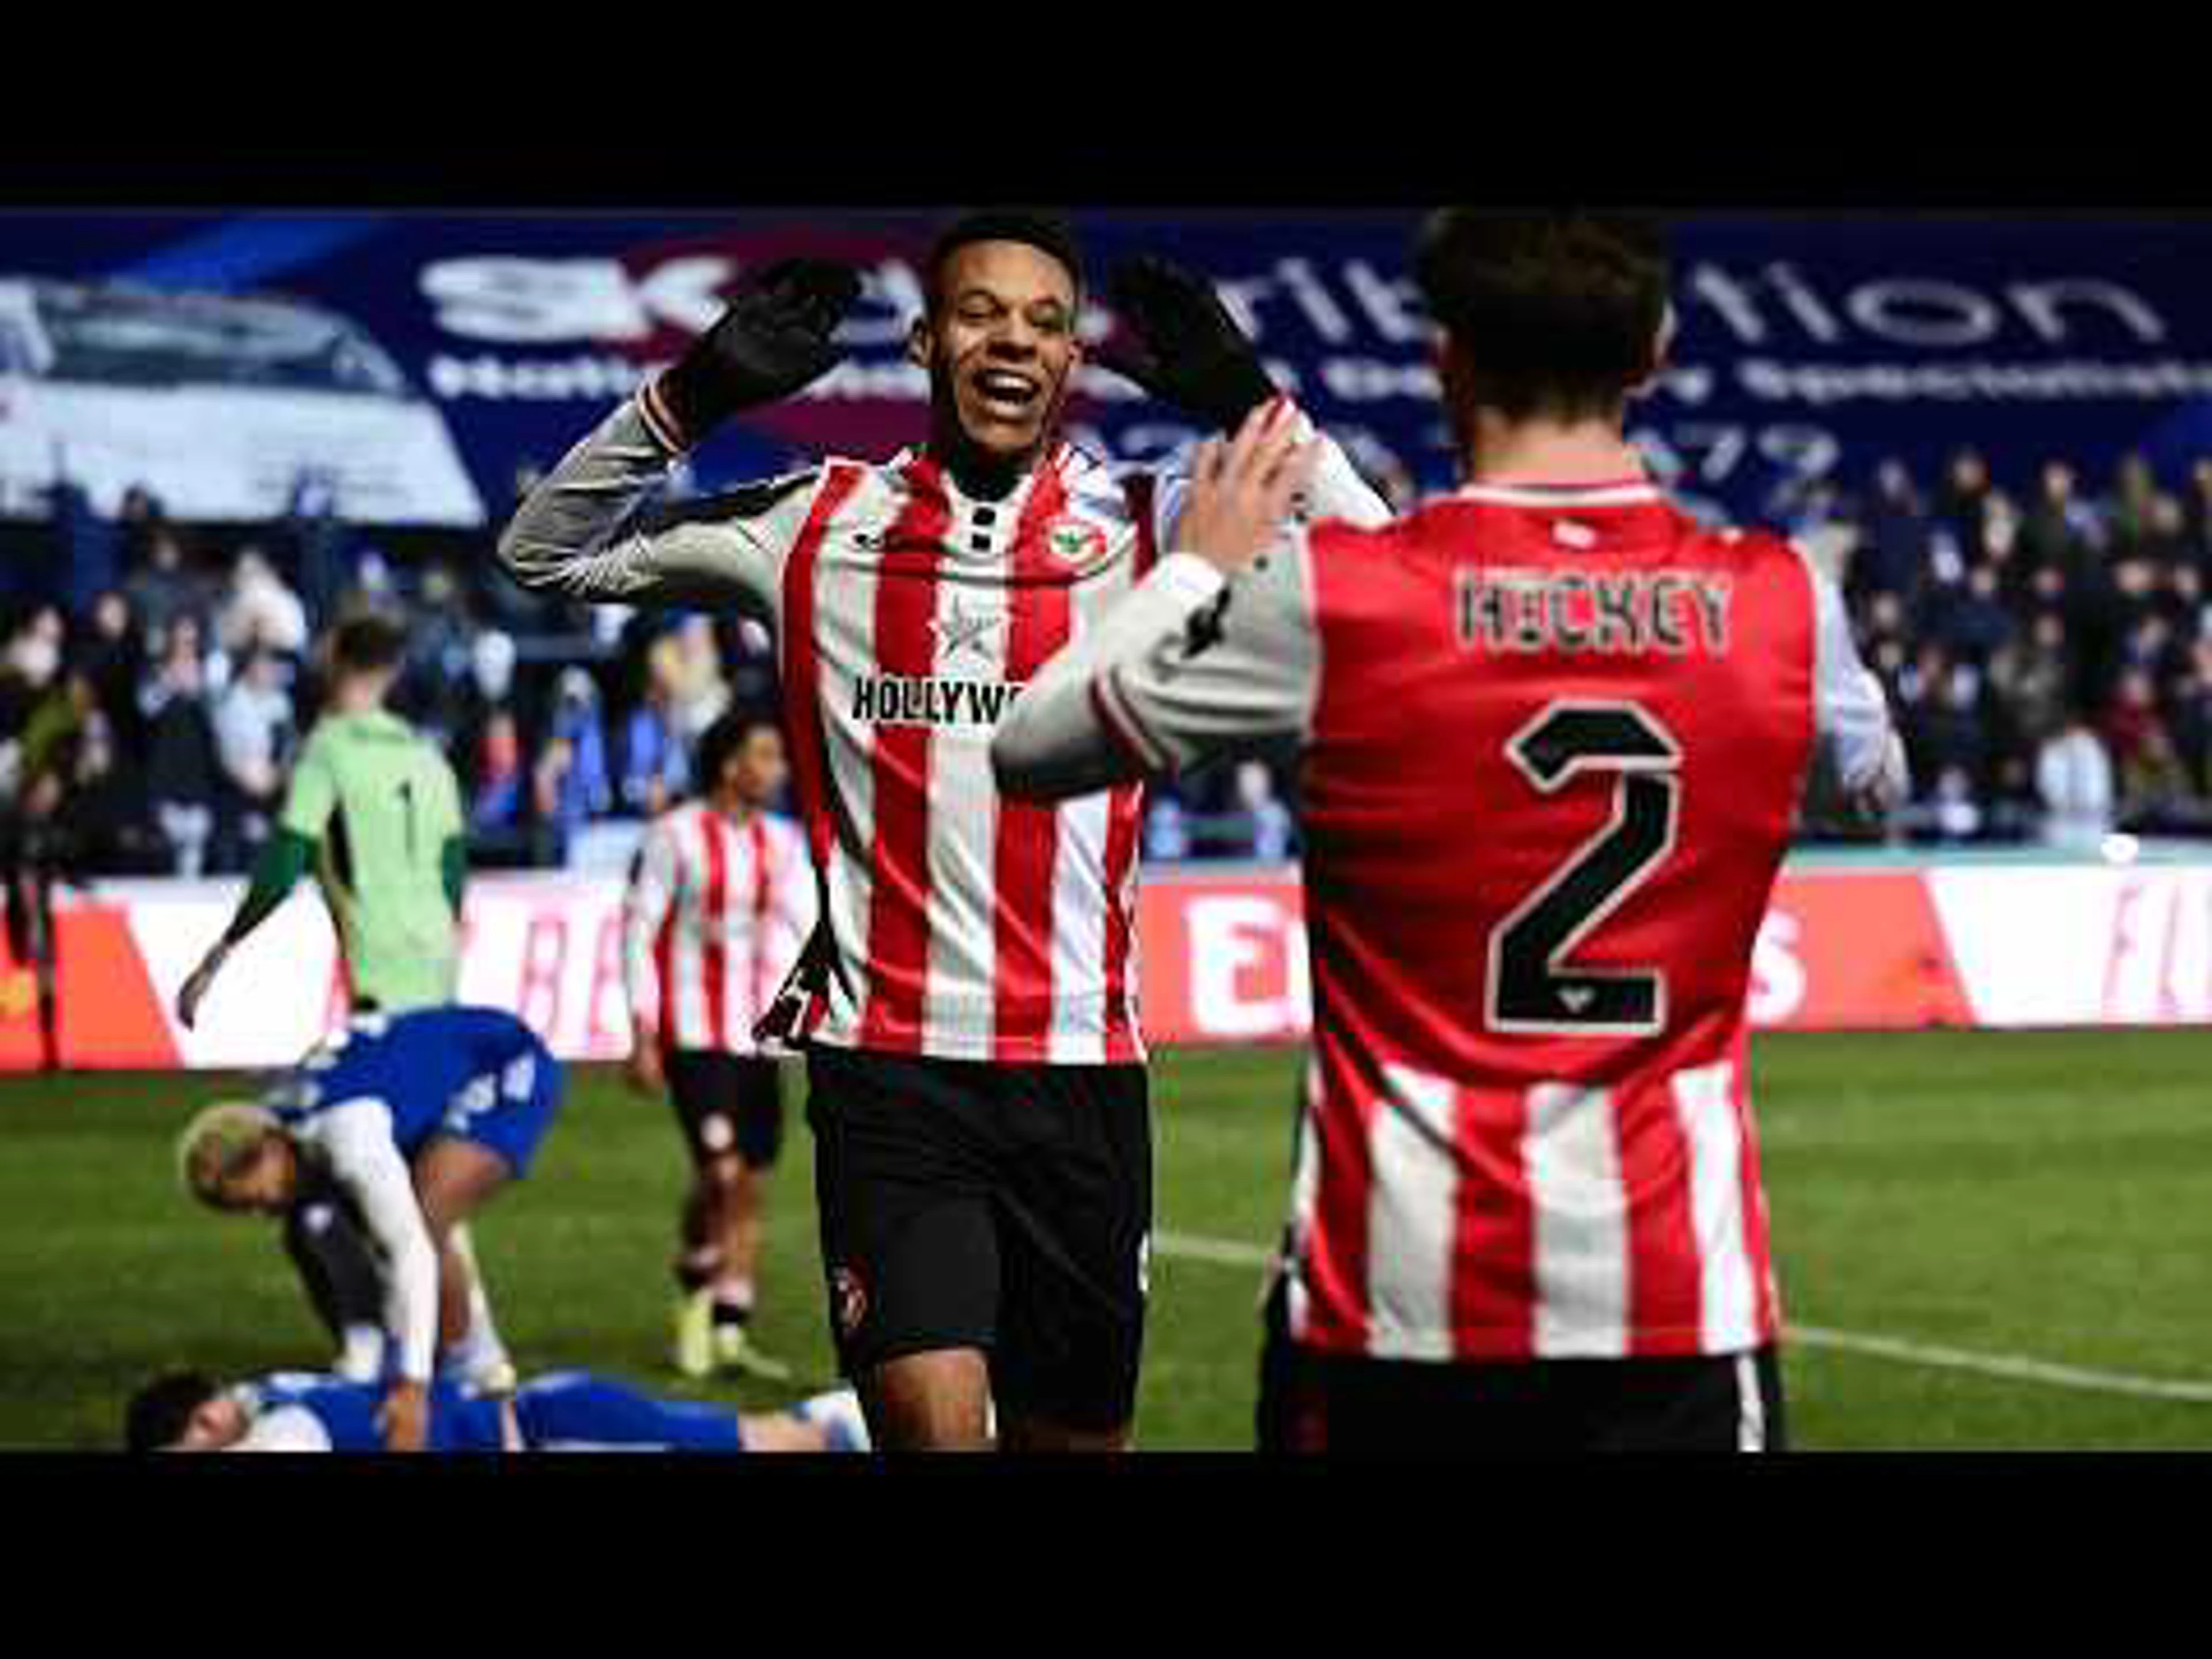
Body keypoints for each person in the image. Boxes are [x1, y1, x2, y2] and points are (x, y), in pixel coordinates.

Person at [993, 210, 1908, 1453]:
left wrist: (1198, 567)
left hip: (1396, 1301)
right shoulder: (1784, 601)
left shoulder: (1348, 602)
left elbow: (1034, 746)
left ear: (1446, 359)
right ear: (1654, 353)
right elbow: (1873, 787)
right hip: (1675, 1300)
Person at [498, 210, 1391, 1451]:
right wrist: (689, 399)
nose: (1010, 342)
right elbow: (542, 552)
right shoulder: (813, 522)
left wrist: (1248, 400)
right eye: (979, 313)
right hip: (889, 1070)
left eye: (1043, 322)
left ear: (1074, 358)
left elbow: (1394, 575)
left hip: (1082, 1072)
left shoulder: (1155, 520)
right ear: (924, 340)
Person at [175, 1004, 561, 1450]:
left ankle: (474, 1372)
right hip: (440, 1072)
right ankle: (398, 1359)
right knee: (327, 1228)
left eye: (254, 1198)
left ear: (269, 1149)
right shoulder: (284, 1122)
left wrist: (411, 1387)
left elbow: (410, 1252)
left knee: (423, 1220)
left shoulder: (349, 1137)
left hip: (503, 1063)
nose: (260, 1212)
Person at [622, 709, 814, 1381]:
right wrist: (643, 1030)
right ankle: (695, 1281)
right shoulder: (674, 835)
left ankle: (730, 1331)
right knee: (722, 1175)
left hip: (758, 1037)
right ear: (731, 764)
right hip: (693, 1034)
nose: (779, 769)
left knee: (751, 1187)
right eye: (767, 753)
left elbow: (809, 924)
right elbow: (639, 929)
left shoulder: (782, 842)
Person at [176, 610, 467, 1024]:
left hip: (377, 968)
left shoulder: (327, 752)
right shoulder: (429, 759)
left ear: (336, 663)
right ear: (392, 672)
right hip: (440, 957)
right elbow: (453, 871)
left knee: (367, 1086)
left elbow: (285, 862)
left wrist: (222, 950)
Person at [125, 1365, 869, 1454]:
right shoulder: (269, 1391)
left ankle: (863, 1419)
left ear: (207, 1424)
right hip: (548, 1416)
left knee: (775, 1443)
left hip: (561, 1435)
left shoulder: (285, 1431)